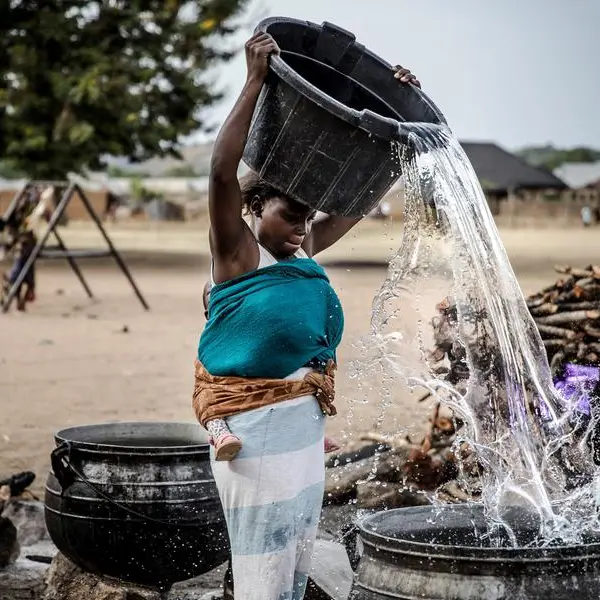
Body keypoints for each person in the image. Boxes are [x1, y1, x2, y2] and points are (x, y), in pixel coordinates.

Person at [192, 30, 420, 600]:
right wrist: (254, 82)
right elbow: (221, 172)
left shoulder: (301, 251)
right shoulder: (240, 256)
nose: (300, 226)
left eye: (306, 216)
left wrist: (399, 134)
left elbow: (358, 202)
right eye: (290, 213)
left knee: (291, 562)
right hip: (250, 432)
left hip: (301, 429)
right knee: (261, 570)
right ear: (255, 206)